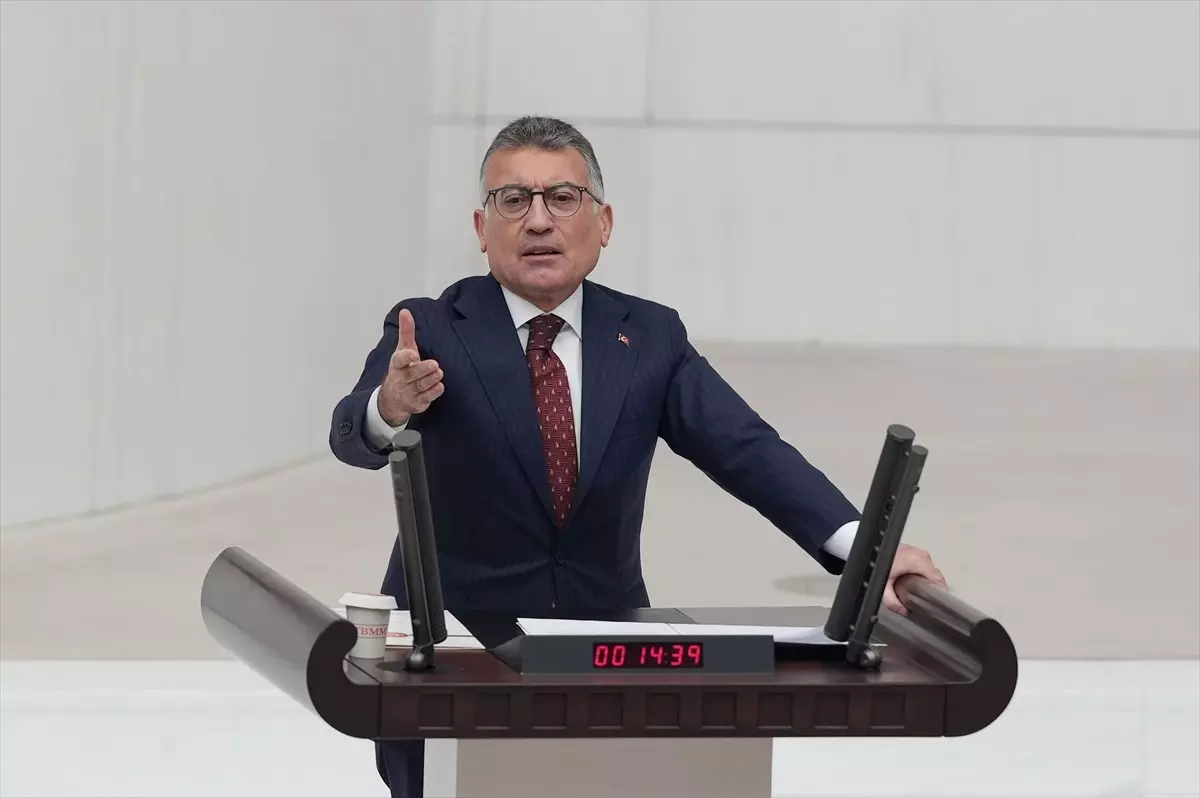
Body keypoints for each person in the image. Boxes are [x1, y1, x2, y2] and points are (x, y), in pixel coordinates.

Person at [329, 115, 947, 798]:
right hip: (453, 657)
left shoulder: (649, 336)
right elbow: (351, 433)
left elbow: (745, 447)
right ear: (482, 227)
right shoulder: (430, 327)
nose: (539, 220)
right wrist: (389, 406)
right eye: (514, 200)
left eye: (563, 198)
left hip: (605, 656)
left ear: (604, 222)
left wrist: (867, 549)